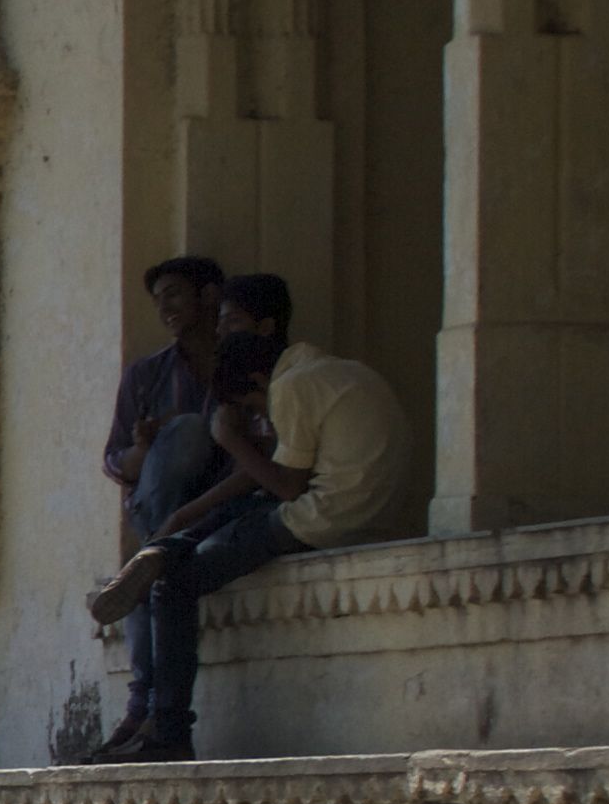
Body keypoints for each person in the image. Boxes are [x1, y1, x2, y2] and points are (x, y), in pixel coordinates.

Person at [79, 270, 406, 761]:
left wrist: (230, 440)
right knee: (239, 510)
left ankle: (169, 730)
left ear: (257, 380)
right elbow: (264, 481)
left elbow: (285, 485)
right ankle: (166, 548)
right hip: (354, 508)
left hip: (324, 517)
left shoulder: (291, 388)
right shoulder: (327, 370)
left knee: (174, 586)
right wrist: (184, 517)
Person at [93, 255, 229, 758]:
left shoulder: (239, 366)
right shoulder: (147, 376)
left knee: (150, 567)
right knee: (153, 557)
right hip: (160, 507)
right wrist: (147, 449)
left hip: (219, 506)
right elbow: (116, 463)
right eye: (158, 300)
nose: (165, 308)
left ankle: (141, 710)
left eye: (174, 294)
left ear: (209, 297)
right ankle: (143, 709)